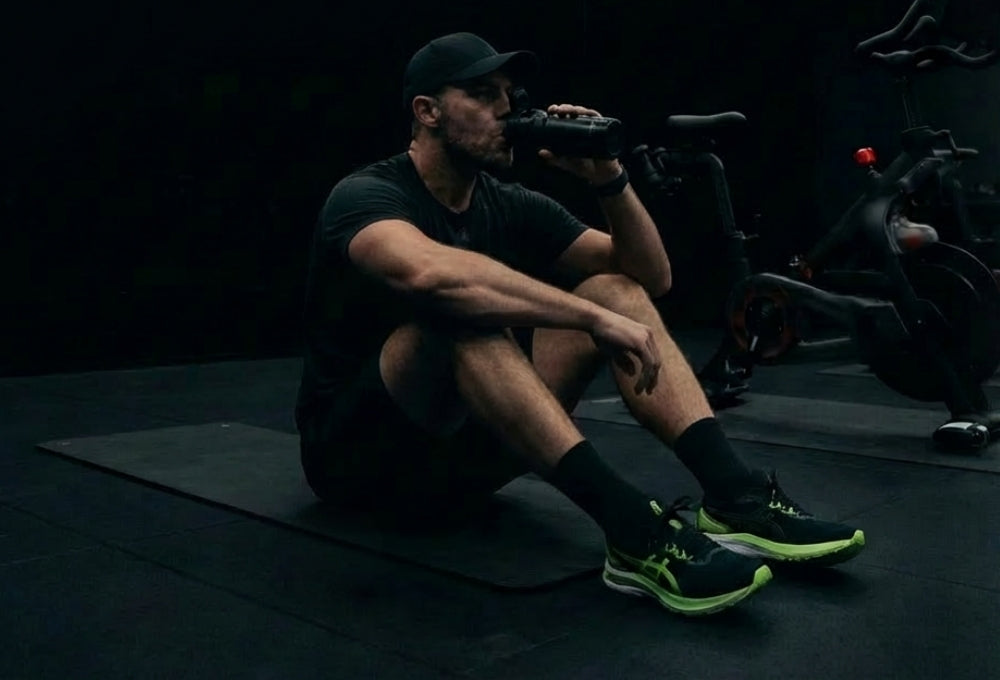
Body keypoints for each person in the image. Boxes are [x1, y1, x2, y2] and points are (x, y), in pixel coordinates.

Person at [296, 32, 865, 616]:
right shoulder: (366, 194)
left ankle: (735, 497)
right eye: (482, 93)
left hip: (470, 458)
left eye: (509, 94)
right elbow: (431, 276)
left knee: (617, 289)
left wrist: (608, 179)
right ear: (427, 111)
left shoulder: (507, 201)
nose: (506, 108)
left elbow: (652, 275)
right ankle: (634, 533)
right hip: (364, 467)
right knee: (460, 316)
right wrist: (589, 318)